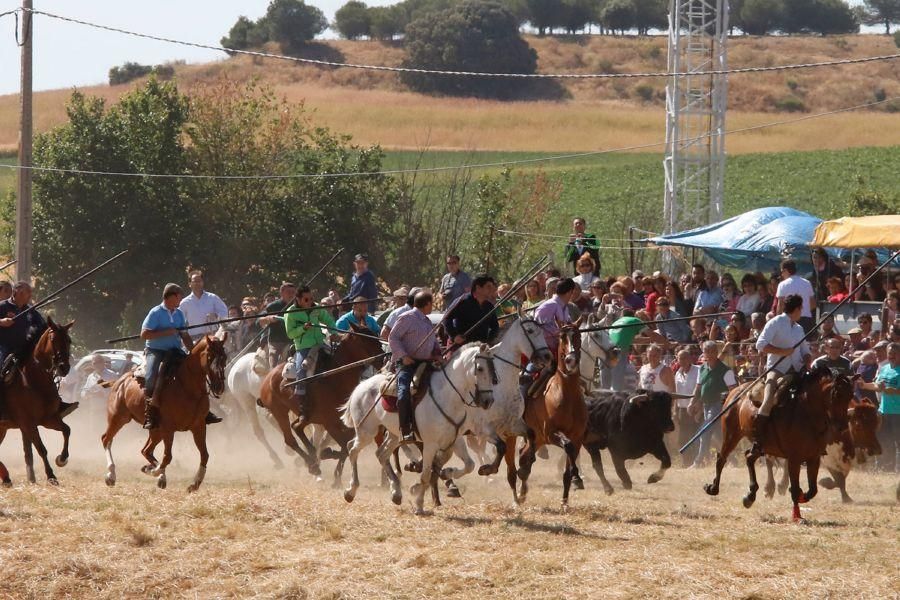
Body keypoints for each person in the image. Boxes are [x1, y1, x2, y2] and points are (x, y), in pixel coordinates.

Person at [140, 283, 221, 430]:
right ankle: (150, 412)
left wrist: (192, 352)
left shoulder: (179, 314)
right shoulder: (155, 312)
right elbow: (144, 334)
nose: (180, 300)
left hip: (175, 350)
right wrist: (166, 332)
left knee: (196, 372)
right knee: (151, 376)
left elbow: (184, 335)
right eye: (179, 297)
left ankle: (204, 410)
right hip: (156, 351)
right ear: (171, 296)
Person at [0, 281, 77, 420]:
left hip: (22, 349)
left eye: (30, 294)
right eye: (26, 293)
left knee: (43, 369)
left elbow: (44, 327)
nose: (29, 297)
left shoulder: (30, 311)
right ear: (16, 292)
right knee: (1, 370)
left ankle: (55, 404)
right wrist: (2, 321)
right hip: (3, 348)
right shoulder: (2, 306)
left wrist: (56, 330)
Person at [753, 294, 811, 454]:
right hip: (776, 370)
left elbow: (805, 350)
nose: (802, 311)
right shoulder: (776, 322)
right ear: (797, 308)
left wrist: (807, 358)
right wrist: (782, 352)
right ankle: (758, 440)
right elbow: (760, 344)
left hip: (798, 370)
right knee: (768, 399)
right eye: (801, 308)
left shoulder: (799, 329)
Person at [388, 291, 443, 442]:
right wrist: (403, 356)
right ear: (426, 304)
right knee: (404, 392)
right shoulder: (407, 318)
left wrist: (438, 353)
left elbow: (434, 342)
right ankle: (406, 430)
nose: (433, 306)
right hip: (407, 363)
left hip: (426, 363)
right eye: (432, 303)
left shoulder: (427, 321)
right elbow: (393, 338)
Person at [283, 286, 338, 417]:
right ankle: (301, 400)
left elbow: (329, 320)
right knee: (302, 370)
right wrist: (303, 328)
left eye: (311, 299)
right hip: (304, 348)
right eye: (306, 299)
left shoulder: (317, 308)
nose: (310, 302)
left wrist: (333, 331)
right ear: (298, 299)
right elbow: (290, 334)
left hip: (320, 343)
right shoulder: (290, 313)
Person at [688, 340, 738, 467]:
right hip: (706, 405)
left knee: (704, 431)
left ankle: (698, 462)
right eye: (706, 351)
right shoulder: (702, 368)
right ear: (703, 353)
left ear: (717, 353)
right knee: (718, 436)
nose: (709, 354)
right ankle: (733, 460)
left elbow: (734, 391)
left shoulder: (726, 370)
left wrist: (726, 405)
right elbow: (698, 388)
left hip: (719, 406)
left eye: (712, 352)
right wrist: (692, 402)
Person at [601, 308, 669, 392]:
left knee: (605, 388)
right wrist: (667, 343)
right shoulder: (634, 320)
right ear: (633, 315)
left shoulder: (615, 323)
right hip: (618, 352)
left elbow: (633, 340)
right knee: (617, 388)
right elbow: (652, 334)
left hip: (605, 353)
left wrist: (650, 340)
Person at [857, 342, 900, 472]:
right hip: (883, 411)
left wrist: (888, 390)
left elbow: (895, 390)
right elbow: (877, 386)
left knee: (898, 441)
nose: (892, 356)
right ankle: (885, 467)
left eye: (895, 353)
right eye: (890, 353)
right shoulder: (885, 368)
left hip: (898, 413)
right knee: (883, 439)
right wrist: (864, 385)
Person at [444, 275, 499, 346]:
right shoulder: (462, 301)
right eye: (488, 287)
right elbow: (447, 318)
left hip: (480, 349)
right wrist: (454, 336)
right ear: (478, 288)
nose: (492, 290)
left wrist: (488, 341)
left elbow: (495, 326)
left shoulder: (489, 306)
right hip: (460, 347)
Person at [179, 270, 228, 342]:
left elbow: (224, 312)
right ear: (190, 284)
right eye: (194, 281)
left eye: (199, 281)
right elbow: (179, 321)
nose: (197, 283)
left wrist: (216, 316)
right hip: (194, 339)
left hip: (212, 337)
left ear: (203, 282)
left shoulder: (213, 298)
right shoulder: (184, 302)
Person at [257, 282, 297, 369]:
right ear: (281, 293)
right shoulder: (273, 306)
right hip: (276, 341)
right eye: (288, 292)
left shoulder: (298, 306)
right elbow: (258, 320)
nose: (291, 294)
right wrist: (268, 318)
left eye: (293, 292)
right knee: (274, 359)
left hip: (294, 339)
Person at [674, 349, 701, 467]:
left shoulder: (698, 371)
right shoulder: (677, 373)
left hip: (694, 408)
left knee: (694, 437)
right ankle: (686, 462)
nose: (683, 361)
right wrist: (674, 410)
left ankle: (697, 462)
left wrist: (698, 407)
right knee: (682, 439)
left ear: (690, 358)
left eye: (685, 358)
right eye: (680, 358)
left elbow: (701, 390)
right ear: (677, 359)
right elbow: (676, 392)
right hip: (682, 409)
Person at [774, 260, 816, 334]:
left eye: (782, 271)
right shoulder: (807, 283)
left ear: (786, 270)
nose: (782, 274)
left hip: (789, 320)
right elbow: (813, 304)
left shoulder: (782, 285)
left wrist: (778, 321)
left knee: (789, 344)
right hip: (806, 320)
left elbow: (780, 305)